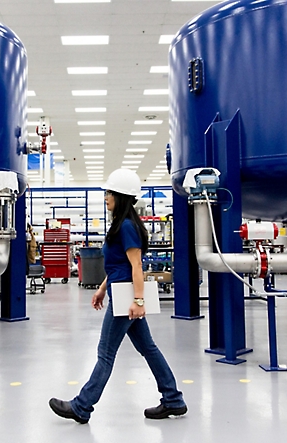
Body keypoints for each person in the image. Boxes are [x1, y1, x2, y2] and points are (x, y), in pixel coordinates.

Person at [49, 169, 187, 424]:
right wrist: (102, 287)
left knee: (105, 353)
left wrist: (138, 300)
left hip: (125, 298)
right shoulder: (121, 224)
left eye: (109, 192)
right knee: (149, 348)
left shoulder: (127, 226)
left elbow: (136, 266)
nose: (106, 197)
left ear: (121, 196)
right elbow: (117, 265)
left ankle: (82, 406)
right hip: (120, 291)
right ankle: (173, 399)